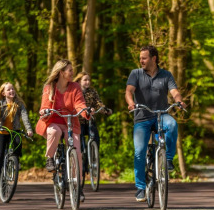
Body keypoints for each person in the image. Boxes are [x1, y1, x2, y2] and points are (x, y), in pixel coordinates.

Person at [125, 45, 186, 202]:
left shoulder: (166, 75)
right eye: (140, 58)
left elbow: (174, 92)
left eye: (144, 58)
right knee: (139, 151)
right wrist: (131, 103)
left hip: (161, 115)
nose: (141, 61)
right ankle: (140, 188)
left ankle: (168, 159)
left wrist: (179, 101)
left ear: (154, 58)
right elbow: (129, 91)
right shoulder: (136, 74)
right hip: (142, 118)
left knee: (172, 125)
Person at [35, 59, 90, 202]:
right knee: (54, 132)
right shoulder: (49, 87)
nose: (72, 73)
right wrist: (45, 111)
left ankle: (77, 187)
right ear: (61, 72)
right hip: (53, 120)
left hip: (71, 123)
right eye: (70, 70)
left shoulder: (75, 87)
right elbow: (44, 106)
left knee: (77, 153)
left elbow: (79, 103)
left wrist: (85, 112)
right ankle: (50, 158)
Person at [0, 82, 33, 192]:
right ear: (3, 93)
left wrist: (28, 129)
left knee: (18, 143)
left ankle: (15, 161)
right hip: (2, 132)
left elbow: (25, 117)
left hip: (15, 131)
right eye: (8, 90)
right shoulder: (0, 104)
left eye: (12, 89)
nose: (11, 91)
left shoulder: (19, 104)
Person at [73, 71, 112, 164]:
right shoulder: (75, 92)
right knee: (80, 142)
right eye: (85, 80)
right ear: (79, 81)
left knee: (95, 138)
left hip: (90, 121)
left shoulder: (92, 91)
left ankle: (94, 159)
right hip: (79, 121)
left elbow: (98, 103)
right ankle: (81, 161)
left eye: (89, 80)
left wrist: (105, 110)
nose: (88, 82)